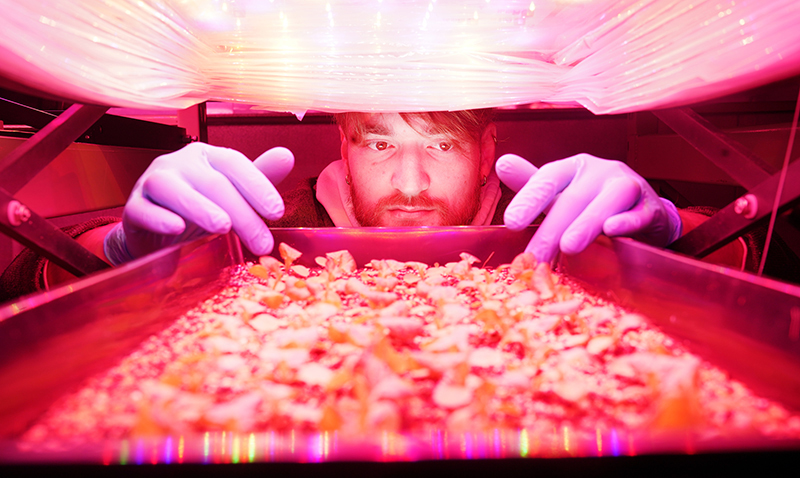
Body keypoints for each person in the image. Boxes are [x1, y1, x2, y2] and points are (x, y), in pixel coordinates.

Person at [1, 109, 745, 299]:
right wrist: (123, 249)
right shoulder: (264, 221)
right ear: (343, 144)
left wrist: (673, 231)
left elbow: (766, 267)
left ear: (488, 151)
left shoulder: (561, 227)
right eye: (381, 144)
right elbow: (25, 300)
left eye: (443, 146)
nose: (413, 183)